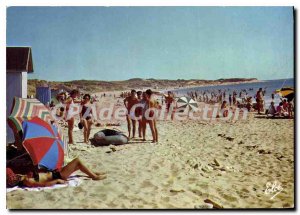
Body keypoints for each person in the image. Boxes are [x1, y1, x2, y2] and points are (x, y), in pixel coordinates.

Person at [6, 157, 106, 188]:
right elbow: (45, 184)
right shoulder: (28, 181)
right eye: (12, 178)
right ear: (14, 182)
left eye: (12, 176)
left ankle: (94, 173)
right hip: (58, 175)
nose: (13, 176)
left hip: (55, 172)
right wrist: (57, 180)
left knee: (77, 166)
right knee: (77, 161)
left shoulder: (23, 176)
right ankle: (94, 176)